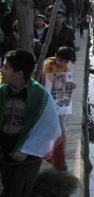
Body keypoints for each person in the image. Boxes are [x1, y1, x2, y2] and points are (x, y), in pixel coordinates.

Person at [0, 49, 61, 197]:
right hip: (6, 155)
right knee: (8, 187)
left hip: (27, 159)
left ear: (19, 73)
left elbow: (51, 128)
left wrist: (26, 149)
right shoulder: (2, 91)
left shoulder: (40, 97)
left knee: (18, 191)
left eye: (6, 67)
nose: (1, 70)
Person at [42, 46, 77, 170]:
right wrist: (67, 84)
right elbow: (51, 79)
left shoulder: (66, 68)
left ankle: (61, 159)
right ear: (56, 55)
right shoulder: (48, 64)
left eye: (65, 62)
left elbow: (65, 82)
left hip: (60, 105)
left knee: (62, 132)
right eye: (60, 60)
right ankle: (46, 155)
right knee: (47, 131)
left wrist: (71, 85)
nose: (62, 63)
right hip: (46, 104)